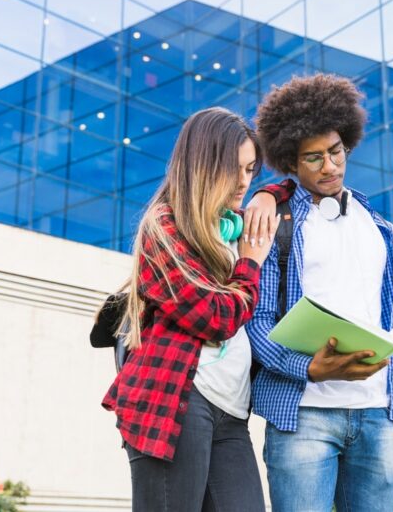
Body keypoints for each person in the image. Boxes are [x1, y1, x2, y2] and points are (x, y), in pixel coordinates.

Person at [246, 74, 393, 511]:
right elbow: (257, 321)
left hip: (380, 415)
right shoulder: (275, 223)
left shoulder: (381, 228)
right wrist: (310, 369)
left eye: (336, 151)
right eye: (314, 158)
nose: (330, 166)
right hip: (302, 416)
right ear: (291, 162)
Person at [101, 107, 282, 512]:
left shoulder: (230, 226)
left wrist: (270, 194)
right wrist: (249, 262)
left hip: (232, 409)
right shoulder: (164, 226)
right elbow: (217, 318)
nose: (244, 182)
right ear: (203, 165)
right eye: (233, 169)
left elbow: (285, 188)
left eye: (252, 170)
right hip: (177, 400)